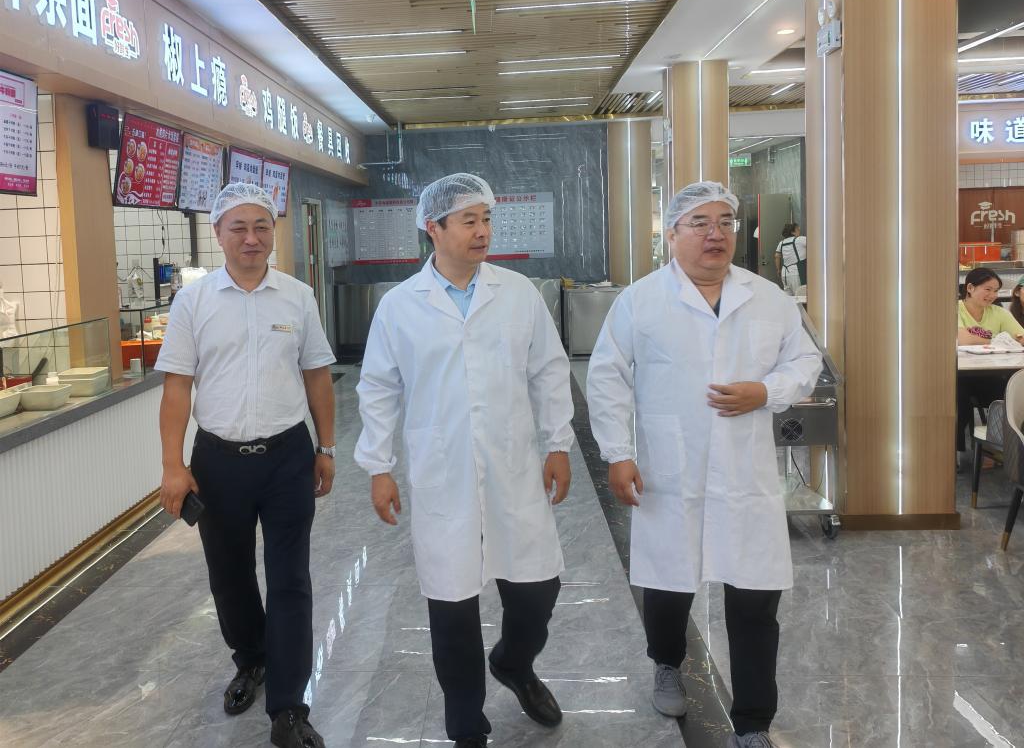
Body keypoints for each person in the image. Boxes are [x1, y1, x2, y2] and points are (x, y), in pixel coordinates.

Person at [587, 181, 822, 748]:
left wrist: (765, 391)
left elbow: (805, 360)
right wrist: (618, 453)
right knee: (669, 583)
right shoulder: (641, 300)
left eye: (725, 222)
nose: (715, 234)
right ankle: (667, 663)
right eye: (699, 223)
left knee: (755, 597)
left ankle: (754, 721)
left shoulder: (767, 298)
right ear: (672, 234)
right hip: (671, 467)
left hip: (746, 474)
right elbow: (607, 377)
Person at [355, 173, 574, 748]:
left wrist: (558, 443)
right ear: (434, 228)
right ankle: (466, 725)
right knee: (452, 606)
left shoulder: (517, 293)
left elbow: (549, 370)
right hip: (442, 470)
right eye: (469, 220)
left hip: (512, 465)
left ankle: (514, 662)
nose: (483, 231)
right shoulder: (400, 306)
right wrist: (378, 466)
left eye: (487, 219)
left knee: (538, 589)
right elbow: (378, 389)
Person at [156, 183, 336, 748]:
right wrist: (173, 465)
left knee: (290, 579)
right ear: (218, 234)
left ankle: (289, 707)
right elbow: (177, 388)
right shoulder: (194, 302)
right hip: (218, 462)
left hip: (287, 457)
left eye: (261, 226)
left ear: (272, 232)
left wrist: (326, 447)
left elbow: (317, 375)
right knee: (229, 575)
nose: (252, 238)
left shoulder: (297, 297)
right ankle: (252, 659)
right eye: (239, 227)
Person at [955, 268, 1024, 453]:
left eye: (996, 290)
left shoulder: (999, 313)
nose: (993, 295)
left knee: (1012, 395)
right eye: (988, 289)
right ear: (970, 288)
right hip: (960, 375)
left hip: (992, 374)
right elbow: (963, 339)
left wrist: (1013, 339)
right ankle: (953, 451)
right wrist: (998, 340)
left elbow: (1020, 336)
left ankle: (1006, 447)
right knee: (958, 400)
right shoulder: (955, 308)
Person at [774, 223, 806, 295]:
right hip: (796, 273)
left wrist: (778, 270)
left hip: (785, 274)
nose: (799, 231)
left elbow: (777, 256)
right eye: (798, 229)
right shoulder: (800, 239)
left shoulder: (781, 243)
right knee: (799, 296)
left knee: (788, 297)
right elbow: (815, 243)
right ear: (792, 232)